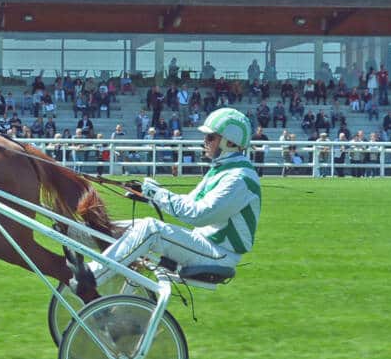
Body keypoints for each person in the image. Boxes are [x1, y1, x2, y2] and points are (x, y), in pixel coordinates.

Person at [78, 108, 261, 290]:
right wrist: (147, 195)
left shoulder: (239, 178)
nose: (204, 142)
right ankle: (77, 234)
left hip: (219, 255)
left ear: (229, 142)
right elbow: (190, 202)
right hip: (204, 244)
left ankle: (90, 277)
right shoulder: (222, 170)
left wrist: (158, 194)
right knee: (139, 227)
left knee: (151, 229)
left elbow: (197, 214)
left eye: (210, 137)